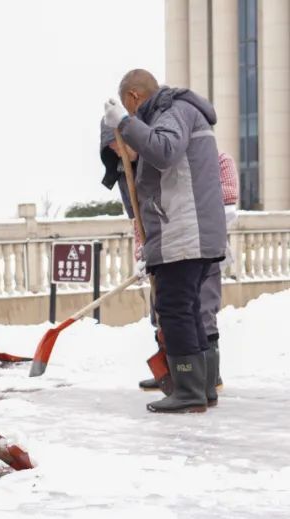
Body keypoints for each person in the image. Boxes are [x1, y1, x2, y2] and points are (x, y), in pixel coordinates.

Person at [104, 69, 226, 412]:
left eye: (131, 111)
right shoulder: (180, 112)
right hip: (188, 232)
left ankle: (188, 391)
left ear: (133, 98)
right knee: (187, 309)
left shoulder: (173, 112)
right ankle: (202, 389)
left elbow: (164, 151)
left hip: (185, 232)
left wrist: (126, 125)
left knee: (174, 310)